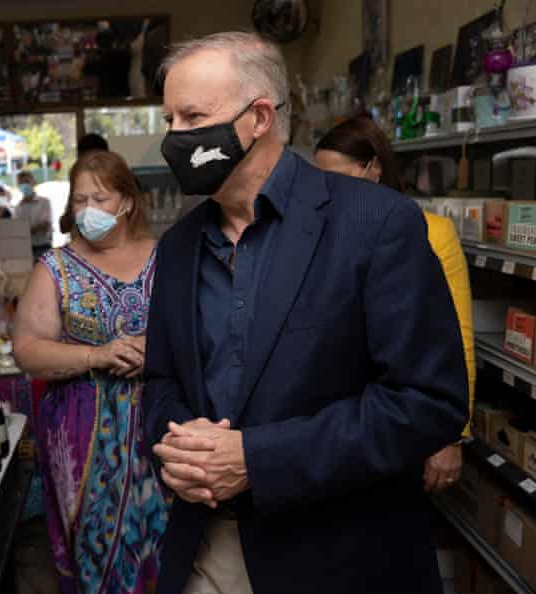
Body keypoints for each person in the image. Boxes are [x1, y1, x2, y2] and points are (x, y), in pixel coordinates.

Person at [143, 31, 468, 594]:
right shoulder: (177, 246)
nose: (173, 137)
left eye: (191, 116)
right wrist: (180, 446)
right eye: (168, 119)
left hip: (341, 556)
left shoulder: (376, 225)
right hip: (207, 546)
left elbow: (425, 402)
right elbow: (161, 379)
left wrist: (256, 459)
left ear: (259, 117)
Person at [13, 151, 167, 594]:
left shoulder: (166, 257)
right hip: (83, 431)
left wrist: (156, 352)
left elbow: (201, 332)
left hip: (159, 422)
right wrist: (95, 356)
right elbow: (26, 350)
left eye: (100, 198)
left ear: (128, 202)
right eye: (80, 200)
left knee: (165, 542)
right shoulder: (55, 269)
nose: (88, 211)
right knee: (95, 548)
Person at [315, 115, 475, 493]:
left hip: (399, 415)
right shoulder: (316, 232)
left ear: (375, 169)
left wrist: (453, 435)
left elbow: (457, 339)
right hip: (332, 424)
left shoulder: (432, 231)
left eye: (337, 177)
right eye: (319, 178)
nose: (327, 189)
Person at [14, 171, 53, 259]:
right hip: (24, 250)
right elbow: (16, 231)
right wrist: (33, 228)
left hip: (43, 247)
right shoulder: (17, 208)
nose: (24, 185)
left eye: (27, 182)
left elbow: (45, 225)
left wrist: (25, 230)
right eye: (21, 183)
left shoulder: (44, 202)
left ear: (33, 183)